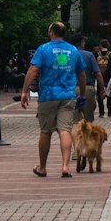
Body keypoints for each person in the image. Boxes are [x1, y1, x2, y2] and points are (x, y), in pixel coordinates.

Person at [21, 22, 87, 177]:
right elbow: (82, 74)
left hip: (48, 96)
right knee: (65, 130)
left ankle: (43, 167)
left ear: (51, 32)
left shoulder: (44, 49)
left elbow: (33, 69)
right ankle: (65, 166)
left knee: (46, 132)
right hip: (67, 95)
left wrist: (24, 91)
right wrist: (82, 93)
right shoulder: (73, 50)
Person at [75, 35, 103, 121]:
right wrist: (102, 89)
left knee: (73, 121)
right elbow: (98, 73)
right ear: (82, 43)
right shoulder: (89, 55)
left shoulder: (66, 55)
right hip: (87, 88)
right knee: (88, 121)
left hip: (71, 89)